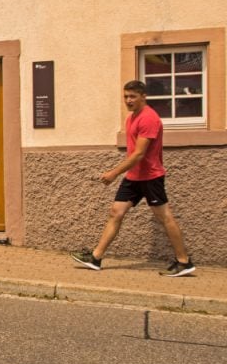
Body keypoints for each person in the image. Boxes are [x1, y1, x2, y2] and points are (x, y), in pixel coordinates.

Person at [71, 80, 196, 277]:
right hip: (134, 176)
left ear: (143, 96)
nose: (128, 100)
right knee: (116, 212)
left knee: (164, 216)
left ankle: (184, 261)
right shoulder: (132, 118)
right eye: (125, 97)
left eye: (132, 97)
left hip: (150, 177)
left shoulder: (149, 119)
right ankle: (96, 258)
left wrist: (114, 173)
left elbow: (139, 154)